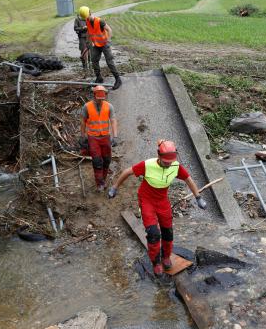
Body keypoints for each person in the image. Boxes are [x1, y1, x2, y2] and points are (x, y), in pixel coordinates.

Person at [107, 140, 208, 276]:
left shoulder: (175, 166)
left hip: (162, 201)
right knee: (153, 233)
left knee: (168, 232)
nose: (168, 164)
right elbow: (127, 172)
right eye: (165, 161)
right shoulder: (147, 165)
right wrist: (114, 187)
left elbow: (188, 179)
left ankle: (166, 257)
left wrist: (198, 198)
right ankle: (156, 263)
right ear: (158, 155)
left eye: (170, 162)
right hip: (147, 200)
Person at [81, 85, 119, 192]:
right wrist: (82, 136)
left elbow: (113, 120)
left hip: (105, 137)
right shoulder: (87, 107)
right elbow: (83, 122)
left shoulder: (109, 106)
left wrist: (115, 136)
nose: (100, 101)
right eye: (99, 99)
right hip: (93, 137)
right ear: (94, 96)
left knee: (107, 160)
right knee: (97, 162)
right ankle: (100, 184)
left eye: (102, 99)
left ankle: (103, 179)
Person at [78, 6, 122, 90]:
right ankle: (99, 78)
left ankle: (118, 79)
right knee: (94, 60)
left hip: (105, 44)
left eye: (86, 17)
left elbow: (109, 30)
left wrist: (108, 41)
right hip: (96, 45)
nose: (85, 19)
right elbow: (89, 32)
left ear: (90, 13)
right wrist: (88, 42)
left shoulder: (99, 21)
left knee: (109, 61)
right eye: (84, 18)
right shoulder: (87, 21)